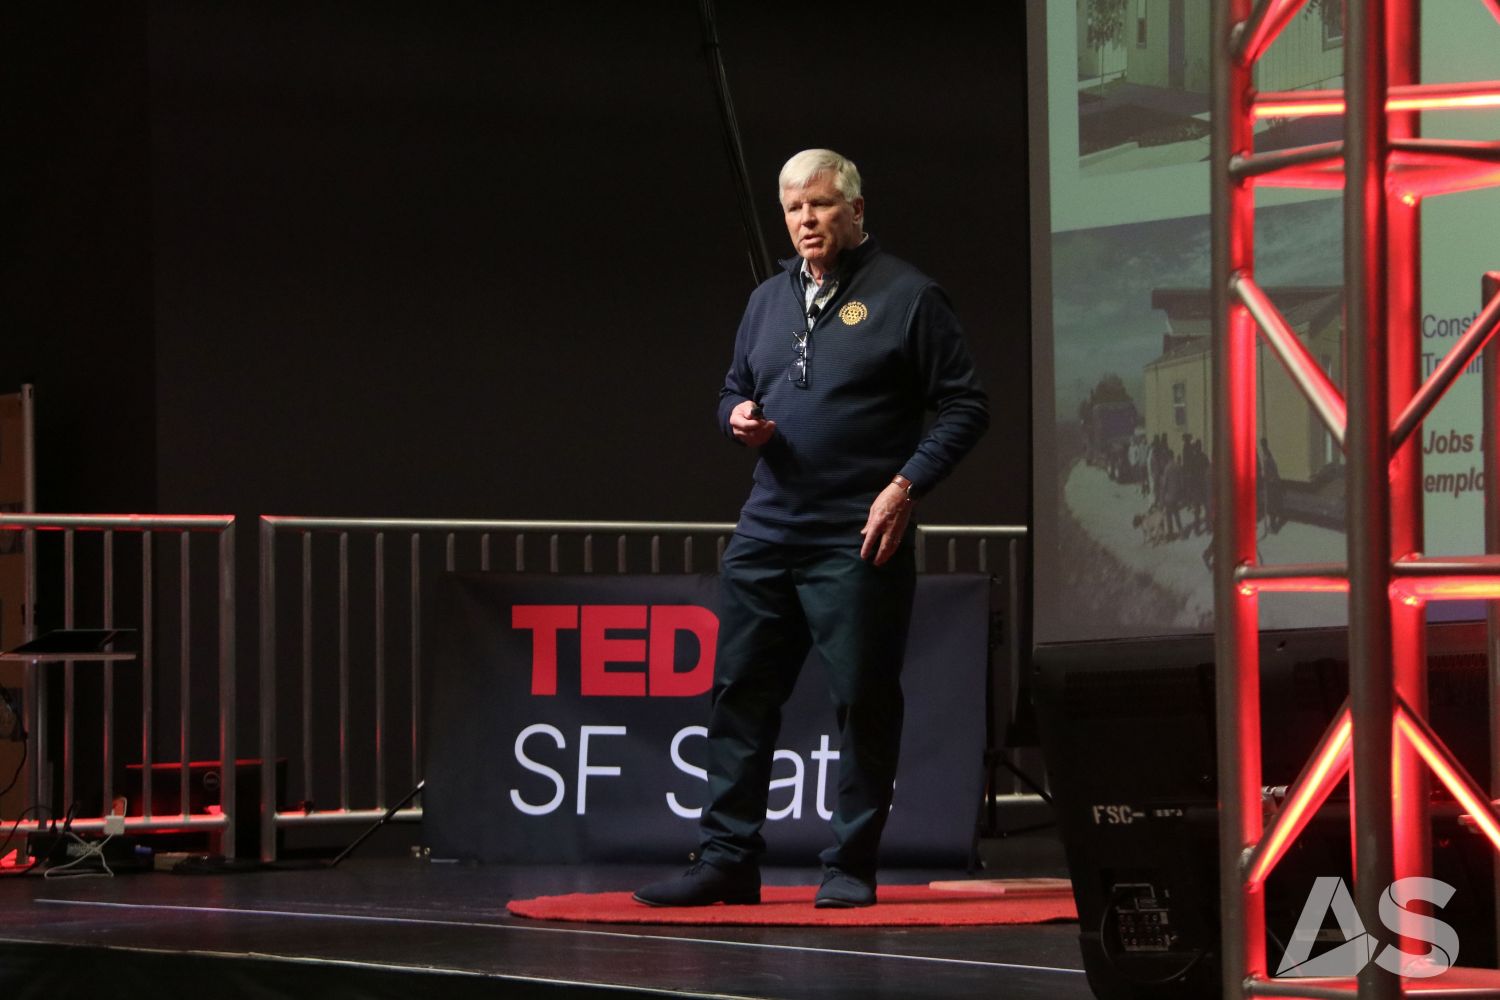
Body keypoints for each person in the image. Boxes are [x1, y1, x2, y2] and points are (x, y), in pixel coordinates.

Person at [633, 149, 989, 909]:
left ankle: (850, 864)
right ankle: (727, 859)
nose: (806, 221)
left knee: (861, 698)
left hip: (856, 536)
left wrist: (904, 486)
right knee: (739, 694)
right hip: (766, 530)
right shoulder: (766, 300)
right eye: (794, 208)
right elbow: (736, 385)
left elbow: (965, 406)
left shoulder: (910, 296)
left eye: (822, 206)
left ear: (857, 210)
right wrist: (736, 419)